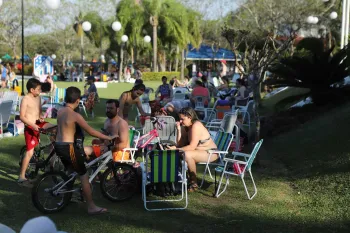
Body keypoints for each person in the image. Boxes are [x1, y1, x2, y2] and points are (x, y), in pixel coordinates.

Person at [55, 86, 113, 214]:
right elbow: (91, 131)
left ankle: (65, 198)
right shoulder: (75, 115)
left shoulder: (60, 110)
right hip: (68, 147)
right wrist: (108, 137)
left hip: (58, 145)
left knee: (70, 173)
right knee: (84, 176)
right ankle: (91, 207)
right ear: (77, 100)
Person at [166, 107, 218, 192]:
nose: (180, 121)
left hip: (211, 153)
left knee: (186, 154)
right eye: (180, 119)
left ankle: (193, 183)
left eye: (182, 119)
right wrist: (179, 130)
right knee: (179, 153)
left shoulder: (196, 126)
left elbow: (191, 147)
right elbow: (180, 144)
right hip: (199, 152)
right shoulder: (185, 126)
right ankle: (176, 179)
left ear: (190, 117)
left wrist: (176, 149)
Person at [18, 78, 56, 186]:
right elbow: (22, 117)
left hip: (38, 123)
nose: (40, 90)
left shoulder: (38, 97)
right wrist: (33, 125)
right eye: (38, 89)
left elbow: (39, 113)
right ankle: (21, 177)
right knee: (30, 152)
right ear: (31, 89)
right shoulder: (25, 99)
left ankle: (51, 159)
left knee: (56, 129)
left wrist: (41, 117)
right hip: (30, 126)